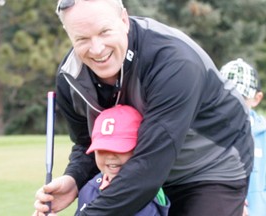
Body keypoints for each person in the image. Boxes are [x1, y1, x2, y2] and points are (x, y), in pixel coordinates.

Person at [33, 0, 254, 216]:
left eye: (104, 32)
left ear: (124, 20)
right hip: (143, 169)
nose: (97, 49)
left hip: (212, 165)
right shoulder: (71, 77)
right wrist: (74, 179)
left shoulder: (173, 62)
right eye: (82, 38)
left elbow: (149, 167)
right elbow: (87, 143)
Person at [75, 104, 170, 216]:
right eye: (102, 149)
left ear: (139, 149)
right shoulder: (89, 189)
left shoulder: (145, 193)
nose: (110, 156)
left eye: (120, 147)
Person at [220, 58, 266, 216]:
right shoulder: (206, 132)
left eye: (240, 99)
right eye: (226, 97)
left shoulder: (263, 135)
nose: (232, 105)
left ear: (256, 98)